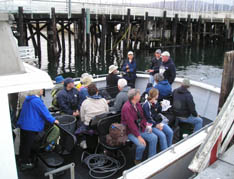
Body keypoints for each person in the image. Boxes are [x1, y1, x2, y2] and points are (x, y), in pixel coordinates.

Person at [17, 89, 59, 171]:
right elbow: (45, 113)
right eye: (41, 89)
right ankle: (25, 164)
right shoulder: (36, 100)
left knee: (24, 145)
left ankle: (22, 160)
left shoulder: (28, 99)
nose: (42, 90)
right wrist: (54, 120)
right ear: (37, 91)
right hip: (31, 126)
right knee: (28, 146)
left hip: (24, 125)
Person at [121, 89, 158, 165]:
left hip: (139, 128)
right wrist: (138, 136)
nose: (140, 95)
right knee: (142, 145)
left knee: (154, 138)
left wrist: (146, 126)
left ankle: (152, 158)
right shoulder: (127, 107)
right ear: (134, 97)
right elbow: (130, 124)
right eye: (139, 94)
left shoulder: (137, 104)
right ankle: (137, 160)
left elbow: (143, 117)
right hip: (130, 131)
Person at [79, 83, 109, 148]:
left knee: (81, 123)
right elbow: (107, 112)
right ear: (97, 92)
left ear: (88, 93)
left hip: (90, 126)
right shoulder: (103, 101)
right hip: (101, 125)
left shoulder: (85, 103)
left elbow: (82, 117)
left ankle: (85, 142)